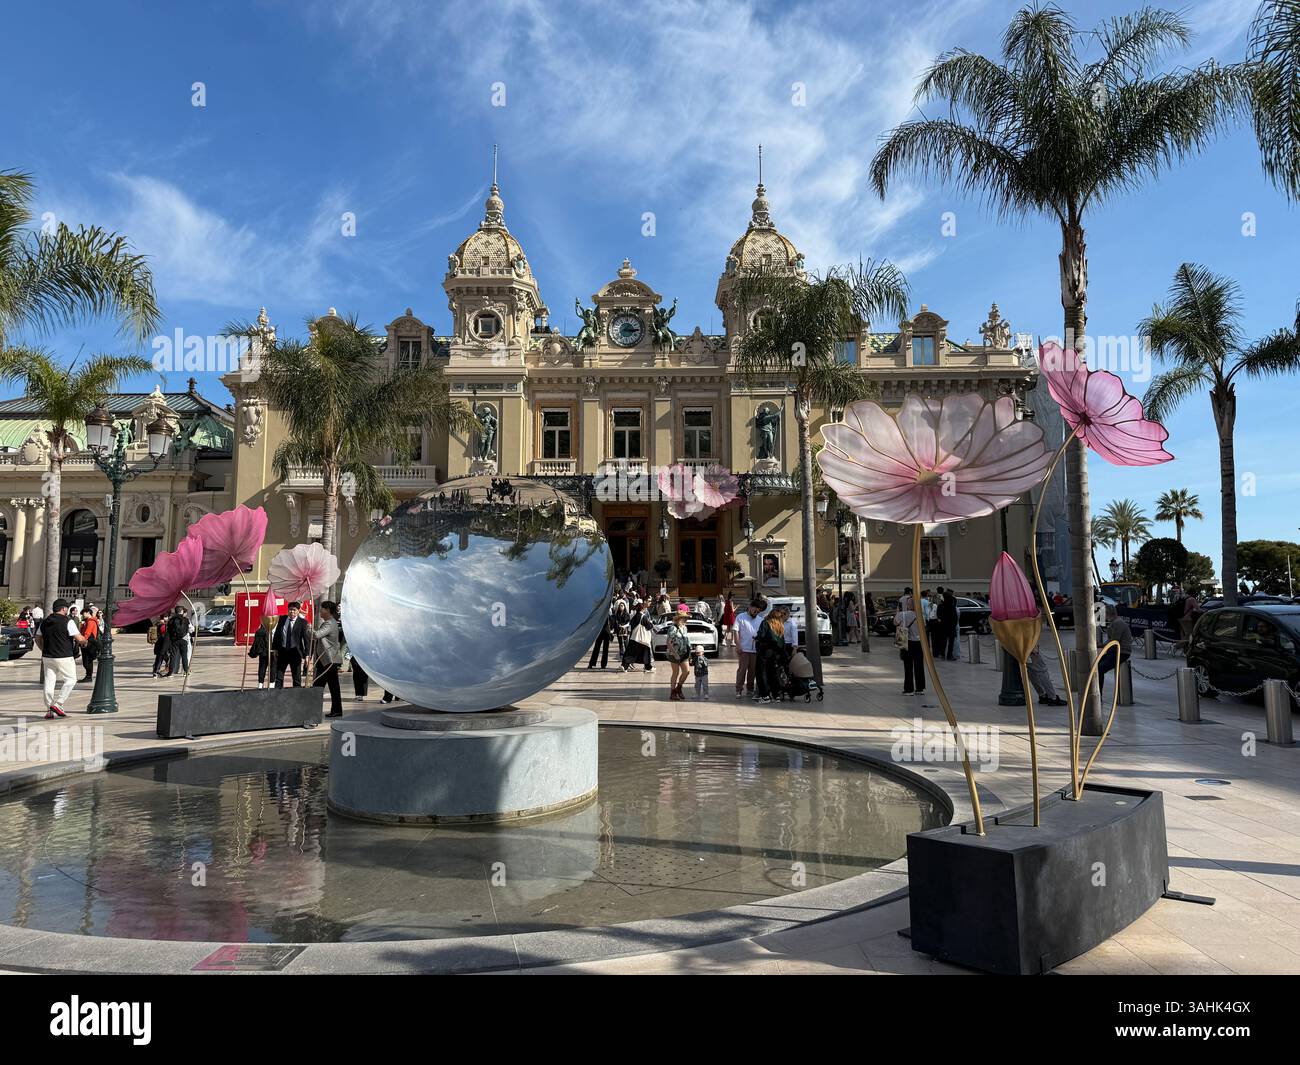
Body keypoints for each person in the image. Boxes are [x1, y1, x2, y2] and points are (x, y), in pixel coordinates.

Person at [35, 598, 86, 718]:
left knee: (49, 682)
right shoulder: (68, 621)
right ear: (63, 609)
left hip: (48, 656)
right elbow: (79, 638)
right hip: (64, 656)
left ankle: (49, 710)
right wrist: (85, 641)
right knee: (71, 679)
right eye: (66, 608)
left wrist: (43, 649)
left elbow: (37, 638)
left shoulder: (45, 621)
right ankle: (58, 704)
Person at [313, 601, 344, 717]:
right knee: (331, 686)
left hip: (328, 660)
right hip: (327, 659)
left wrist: (308, 628)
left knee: (318, 685)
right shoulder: (329, 622)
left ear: (328, 610)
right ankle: (336, 710)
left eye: (322, 609)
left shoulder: (329, 624)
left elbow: (317, 635)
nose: (320, 611)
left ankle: (313, 710)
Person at [1097, 605, 1134, 701]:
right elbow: (1112, 640)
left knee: (1100, 669)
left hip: (1121, 652)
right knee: (1096, 666)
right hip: (1114, 651)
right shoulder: (1114, 622)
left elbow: (1114, 640)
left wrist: (1100, 645)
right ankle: (1096, 693)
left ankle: (1098, 695)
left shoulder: (1117, 623)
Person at [271, 601, 310, 687]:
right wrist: (275, 649)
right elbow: (277, 634)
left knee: (296, 677)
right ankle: (278, 693)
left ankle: (296, 695)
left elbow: (306, 639)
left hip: (295, 652)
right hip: (283, 651)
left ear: (299, 610)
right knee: (279, 675)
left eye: (294, 610)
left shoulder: (302, 622)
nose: (291, 612)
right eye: (290, 610)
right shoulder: (282, 619)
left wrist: (307, 655)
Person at [755, 606, 787, 703]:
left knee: (762, 672)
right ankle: (776, 694)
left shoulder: (765, 623)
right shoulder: (780, 626)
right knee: (773, 672)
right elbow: (782, 641)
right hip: (777, 652)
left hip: (766, 650)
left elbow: (761, 635)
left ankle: (765, 696)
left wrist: (756, 638)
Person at [895, 594, 925, 696]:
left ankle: (909, 689)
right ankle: (920, 688)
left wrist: (897, 612)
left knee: (908, 666)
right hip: (919, 642)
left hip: (906, 642)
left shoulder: (903, 614)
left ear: (908, 605)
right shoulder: (921, 615)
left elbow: (895, 622)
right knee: (919, 665)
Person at [734, 598, 764, 699]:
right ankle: (738, 689)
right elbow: (736, 631)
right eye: (755, 610)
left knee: (752, 671)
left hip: (755, 650)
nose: (756, 613)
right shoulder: (740, 617)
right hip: (744, 649)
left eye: (758, 612)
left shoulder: (760, 620)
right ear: (750, 607)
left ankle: (750, 689)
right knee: (742, 670)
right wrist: (738, 645)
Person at [665, 611, 692, 701]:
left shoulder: (685, 628)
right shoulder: (673, 628)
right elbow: (668, 642)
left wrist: (690, 652)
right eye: (683, 618)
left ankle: (678, 688)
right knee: (675, 673)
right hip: (674, 654)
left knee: (686, 672)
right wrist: (675, 654)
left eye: (686, 618)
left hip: (684, 653)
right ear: (678, 619)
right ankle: (673, 693)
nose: (685, 620)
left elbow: (687, 640)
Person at [622, 600, 655, 672]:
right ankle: (648, 667)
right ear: (642, 609)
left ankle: (624, 666)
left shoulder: (634, 616)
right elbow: (649, 626)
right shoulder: (643, 617)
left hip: (634, 637)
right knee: (646, 652)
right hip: (642, 639)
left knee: (631, 653)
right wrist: (651, 623)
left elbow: (631, 625)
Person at [587, 595, 616, 670]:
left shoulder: (605, 609)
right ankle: (598, 664)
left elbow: (611, 619)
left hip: (604, 631)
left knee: (600, 648)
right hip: (603, 631)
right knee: (600, 648)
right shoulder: (602, 610)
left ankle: (596, 664)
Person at [250, 615, 275, 688]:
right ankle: (271, 684)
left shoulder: (259, 630)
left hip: (263, 652)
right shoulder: (274, 629)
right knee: (272, 668)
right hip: (272, 651)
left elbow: (256, 643)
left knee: (262, 667)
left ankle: (260, 684)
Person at [167, 606, 192, 677]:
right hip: (184, 639)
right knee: (184, 656)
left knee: (173, 656)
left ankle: (170, 672)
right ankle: (186, 671)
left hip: (174, 640)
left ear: (175, 611)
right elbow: (188, 630)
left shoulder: (171, 620)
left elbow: (169, 630)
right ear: (182, 611)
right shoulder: (186, 620)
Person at [79, 608, 101, 683]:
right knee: (88, 661)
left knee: (87, 661)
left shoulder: (91, 622)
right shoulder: (88, 621)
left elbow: (87, 633)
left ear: (88, 613)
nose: (82, 615)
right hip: (89, 642)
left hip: (89, 643)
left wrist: (83, 641)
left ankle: (88, 677)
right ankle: (88, 676)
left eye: (83, 613)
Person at [937, 591, 959, 661]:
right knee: (951, 642)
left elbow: (938, 616)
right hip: (951, 626)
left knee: (943, 641)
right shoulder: (952, 607)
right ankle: (949, 655)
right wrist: (954, 625)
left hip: (943, 626)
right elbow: (955, 618)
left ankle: (942, 654)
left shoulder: (940, 606)